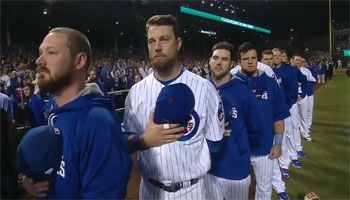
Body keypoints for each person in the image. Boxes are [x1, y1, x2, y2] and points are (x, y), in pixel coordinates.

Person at [122, 15, 225, 199]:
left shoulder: (203, 88)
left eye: (164, 39)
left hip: (191, 191)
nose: (157, 47)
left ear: (178, 43)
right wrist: (144, 140)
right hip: (150, 190)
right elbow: (124, 141)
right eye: (151, 41)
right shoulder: (136, 92)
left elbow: (215, 143)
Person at [22, 27, 131, 199]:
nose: (39, 60)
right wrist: (36, 182)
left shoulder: (97, 122)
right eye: (40, 52)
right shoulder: (56, 110)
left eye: (51, 53)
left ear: (79, 61)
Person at [204, 41, 260, 200]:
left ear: (232, 64)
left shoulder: (244, 91)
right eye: (215, 58)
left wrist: (239, 146)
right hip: (207, 168)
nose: (219, 63)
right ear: (209, 61)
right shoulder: (201, 89)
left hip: (236, 169)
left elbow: (255, 129)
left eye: (224, 59)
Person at [235, 42, 290, 200]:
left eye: (253, 58)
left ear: (257, 60)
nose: (250, 61)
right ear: (239, 62)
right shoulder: (232, 84)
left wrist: (278, 144)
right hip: (239, 148)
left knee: (264, 187)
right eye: (246, 59)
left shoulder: (270, 83)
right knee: (238, 188)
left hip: (264, 146)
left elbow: (278, 116)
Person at [272, 48, 308, 178]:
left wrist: (300, 95)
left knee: (289, 133)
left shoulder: (289, 70)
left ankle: (290, 158)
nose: (275, 58)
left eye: (277, 55)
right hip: (273, 110)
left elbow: (296, 87)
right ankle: (284, 161)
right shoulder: (266, 71)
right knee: (279, 137)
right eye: (273, 56)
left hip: (287, 106)